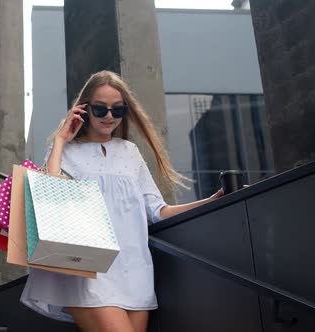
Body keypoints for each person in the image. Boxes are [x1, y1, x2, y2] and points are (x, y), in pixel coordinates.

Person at [20, 70, 223, 332]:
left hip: (134, 269)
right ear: (83, 109)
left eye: (117, 110)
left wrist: (212, 200)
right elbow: (49, 194)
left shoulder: (130, 152)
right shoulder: (65, 151)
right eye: (100, 109)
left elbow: (158, 211)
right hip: (87, 272)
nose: (108, 116)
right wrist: (60, 139)